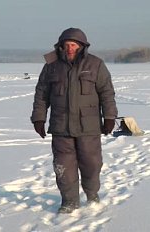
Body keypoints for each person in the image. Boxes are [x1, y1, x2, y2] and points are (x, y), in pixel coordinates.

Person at [31, 28, 118, 214]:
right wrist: (39, 118)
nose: (70, 48)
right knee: (63, 167)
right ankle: (69, 201)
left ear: (82, 46)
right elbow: (41, 95)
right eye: (67, 45)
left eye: (74, 45)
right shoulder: (51, 66)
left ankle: (92, 194)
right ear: (61, 46)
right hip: (61, 127)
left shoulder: (95, 64)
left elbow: (107, 93)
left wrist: (109, 117)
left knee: (91, 164)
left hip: (89, 127)